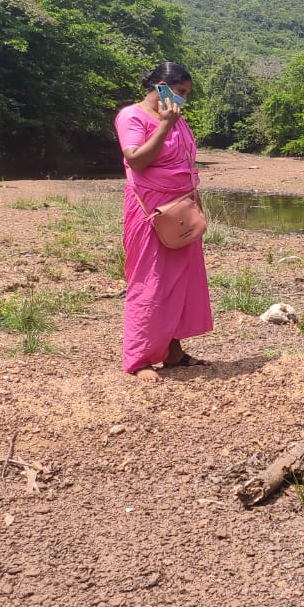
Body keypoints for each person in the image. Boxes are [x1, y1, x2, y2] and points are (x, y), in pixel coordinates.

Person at [115, 62, 213, 382]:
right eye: (180, 92)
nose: (183, 99)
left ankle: (174, 352)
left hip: (181, 210)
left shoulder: (176, 118)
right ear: (161, 86)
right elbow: (136, 160)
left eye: (186, 94)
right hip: (150, 212)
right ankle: (139, 358)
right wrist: (164, 126)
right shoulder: (132, 116)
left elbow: (185, 161)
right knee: (151, 283)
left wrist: (195, 200)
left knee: (180, 282)